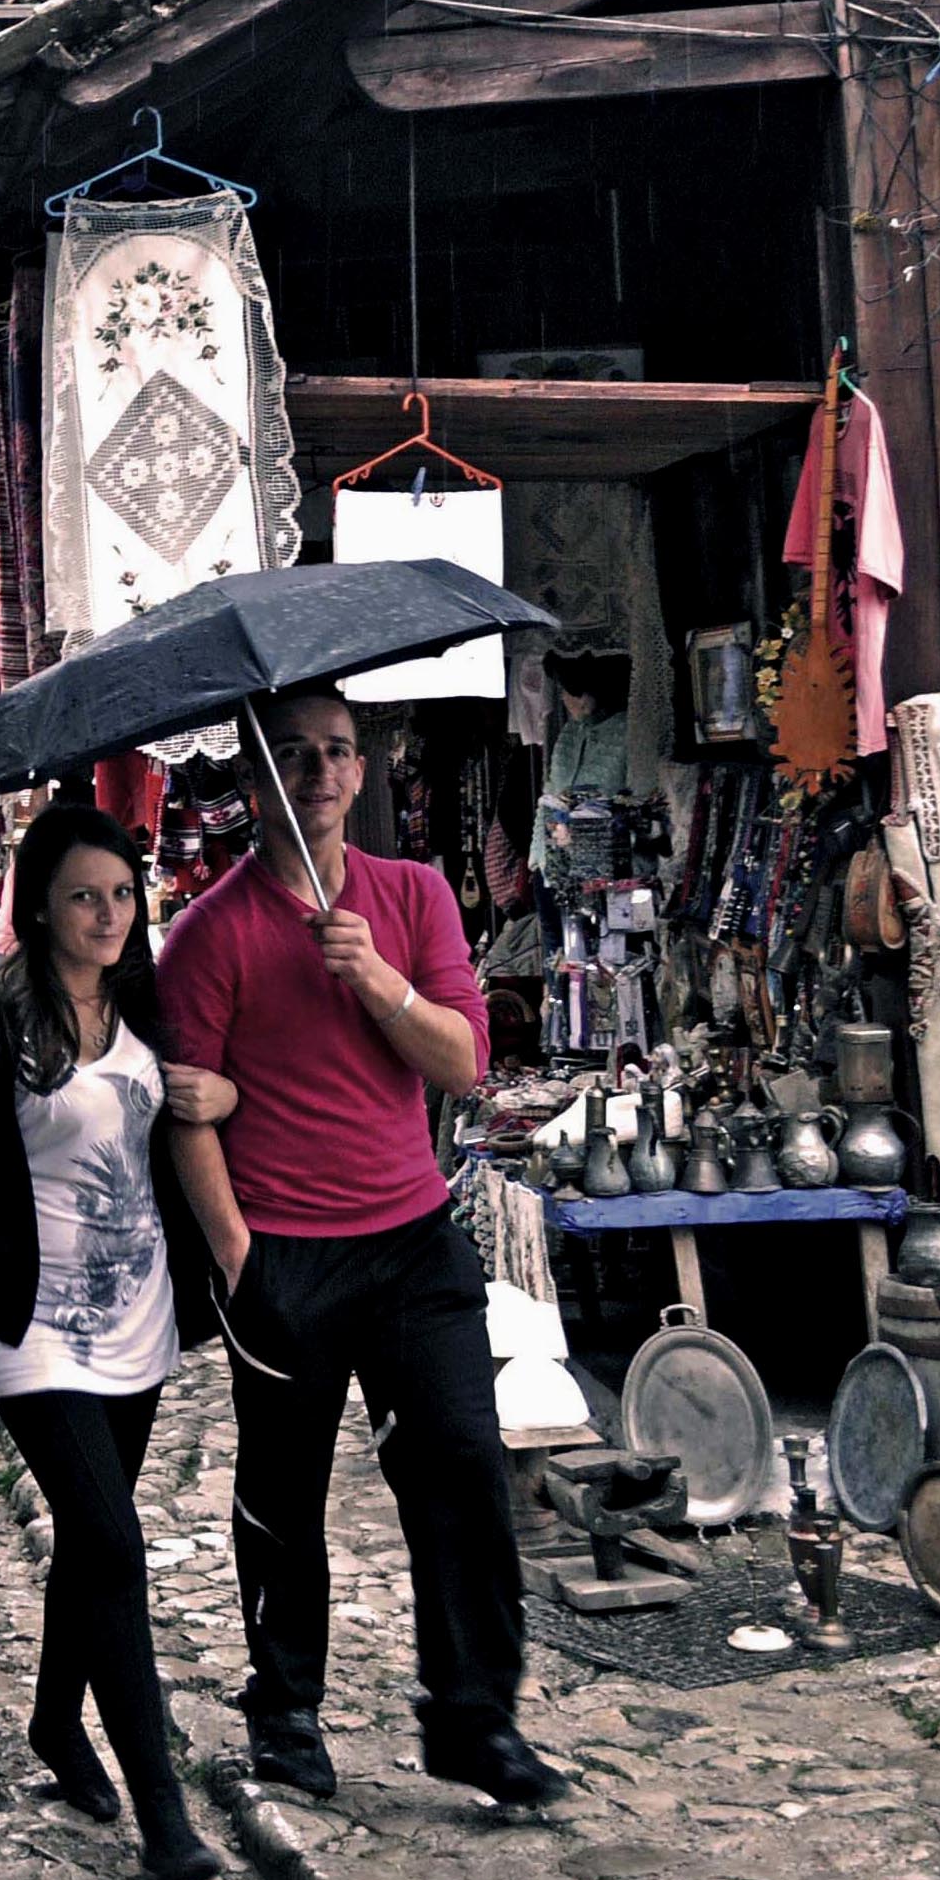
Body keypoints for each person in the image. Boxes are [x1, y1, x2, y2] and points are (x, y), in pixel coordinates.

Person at [154, 688, 568, 1809]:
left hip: (411, 1243)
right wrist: (239, 1259)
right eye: (293, 756)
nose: (320, 774)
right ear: (257, 778)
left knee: (462, 1473)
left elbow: (464, 1067)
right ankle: (284, 1713)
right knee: (282, 1497)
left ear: (364, 767)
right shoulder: (207, 936)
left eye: (337, 752)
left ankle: (475, 1721)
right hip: (285, 1253)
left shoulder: (414, 895)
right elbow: (189, 1113)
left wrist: (376, 980)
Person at [0, 803, 236, 1880]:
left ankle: (54, 1720)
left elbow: (200, 1109)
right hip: (34, 1327)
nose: (108, 915)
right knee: (115, 1544)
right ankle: (163, 1815)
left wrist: (220, 1094)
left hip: (138, 1318)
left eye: (124, 895)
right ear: (38, 904)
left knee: (94, 1547)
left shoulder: (146, 1001)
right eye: (85, 895)